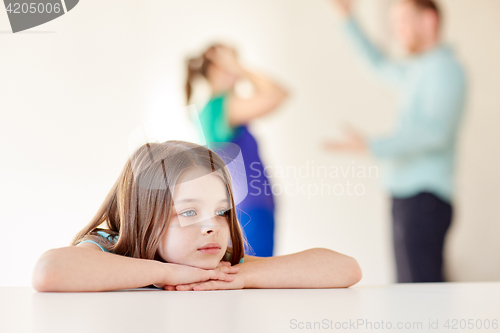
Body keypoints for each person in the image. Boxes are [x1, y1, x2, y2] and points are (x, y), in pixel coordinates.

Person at [32, 140, 361, 292]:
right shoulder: (109, 247)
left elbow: (346, 269)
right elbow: (50, 272)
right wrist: (168, 273)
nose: (211, 227)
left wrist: (243, 277)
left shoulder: (220, 267)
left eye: (220, 212)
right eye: (188, 212)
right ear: (143, 216)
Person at [325, 0, 467, 282]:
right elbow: (378, 66)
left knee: (421, 294)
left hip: (424, 199)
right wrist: (348, 18)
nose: (396, 30)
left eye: (402, 21)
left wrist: (373, 146)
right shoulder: (419, 71)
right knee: (412, 290)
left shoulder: (444, 69)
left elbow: (434, 132)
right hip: (409, 197)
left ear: (428, 20)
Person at [185, 44, 288, 257]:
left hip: (250, 208)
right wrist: (241, 68)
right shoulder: (220, 107)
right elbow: (278, 94)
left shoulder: (215, 108)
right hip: (248, 210)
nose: (236, 70)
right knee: (254, 278)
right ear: (215, 68)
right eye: (230, 62)